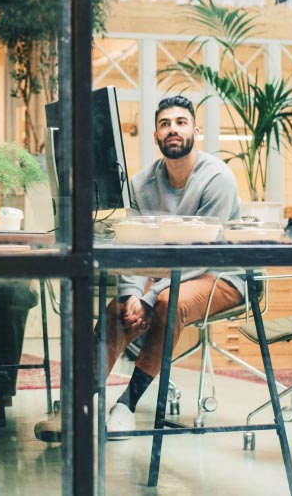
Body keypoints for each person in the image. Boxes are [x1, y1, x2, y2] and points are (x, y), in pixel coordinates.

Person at [101, 95, 245, 434]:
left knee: (167, 302)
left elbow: (201, 254)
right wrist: (133, 293)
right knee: (118, 309)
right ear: (155, 136)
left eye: (180, 123)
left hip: (220, 273)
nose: (173, 130)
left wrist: (150, 297)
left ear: (196, 130)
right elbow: (134, 246)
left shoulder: (217, 179)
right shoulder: (140, 184)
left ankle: (127, 403)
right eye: (165, 124)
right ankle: (81, 398)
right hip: (166, 273)